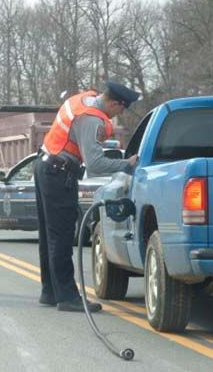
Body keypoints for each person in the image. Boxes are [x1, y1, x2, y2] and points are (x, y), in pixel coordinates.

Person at [35, 80, 139, 312]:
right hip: (59, 174)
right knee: (61, 237)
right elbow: (95, 165)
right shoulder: (91, 119)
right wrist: (127, 164)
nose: (117, 115)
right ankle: (67, 297)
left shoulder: (83, 99)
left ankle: (50, 291)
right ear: (112, 103)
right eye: (120, 109)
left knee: (49, 235)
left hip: (45, 165)